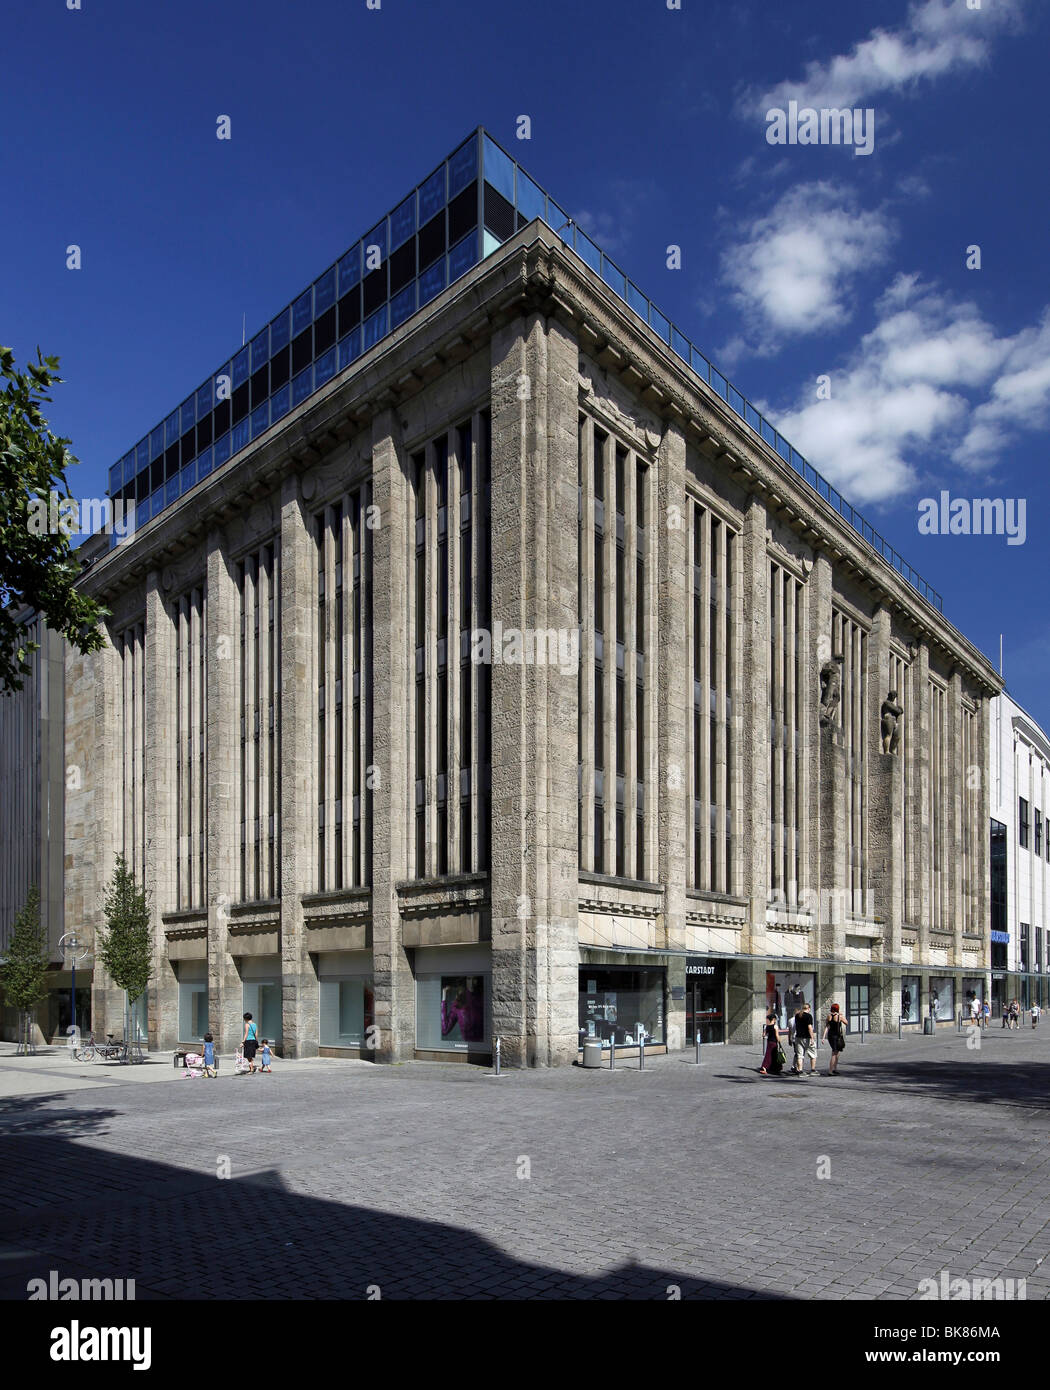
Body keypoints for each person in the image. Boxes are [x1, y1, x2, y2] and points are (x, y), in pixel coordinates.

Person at [793, 1002, 818, 1076]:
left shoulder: (797, 1015)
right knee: (813, 1054)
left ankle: (800, 1071)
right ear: (808, 1008)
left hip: (798, 1037)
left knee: (800, 1055)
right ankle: (813, 1070)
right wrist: (812, 1038)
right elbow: (809, 1027)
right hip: (807, 1037)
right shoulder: (808, 1016)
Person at [822, 1003, 847, 1075]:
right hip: (837, 1036)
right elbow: (846, 1023)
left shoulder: (829, 1016)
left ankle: (835, 1068)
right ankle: (830, 1070)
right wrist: (841, 1016)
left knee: (837, 1052)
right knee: (834, 1053)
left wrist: (823, 1037)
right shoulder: (840, 1017)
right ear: (837, 1009)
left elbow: (827, 1027)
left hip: (830, 1036)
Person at [759, 1011, 780, 1075]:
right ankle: (775, 1068)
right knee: (774, 1055)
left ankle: (765, 1067)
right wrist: (779, 1041)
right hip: (774, 1042)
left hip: (769, 1041)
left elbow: (763, 1035)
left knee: (768, 1054)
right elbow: (777, 1035)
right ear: (774, 1019)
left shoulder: (767, 1026)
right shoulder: (775, 1026)